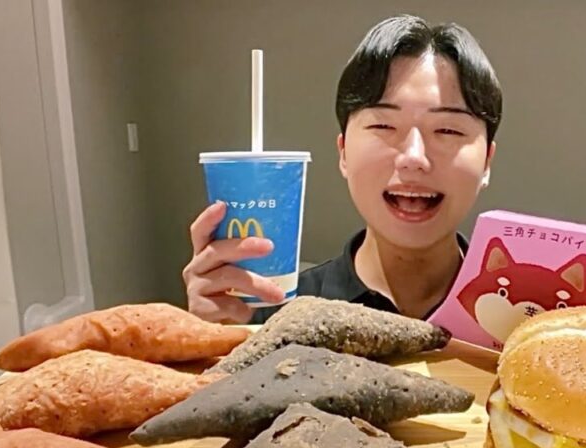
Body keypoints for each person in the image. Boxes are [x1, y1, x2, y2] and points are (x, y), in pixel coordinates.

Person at [183, 14, 502, 324]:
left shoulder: (518, 316)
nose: (413, 157)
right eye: (383, 125)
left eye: (448, 130)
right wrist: (217, 337)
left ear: (487, 161)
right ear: (344, 152)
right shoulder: (271, 313)